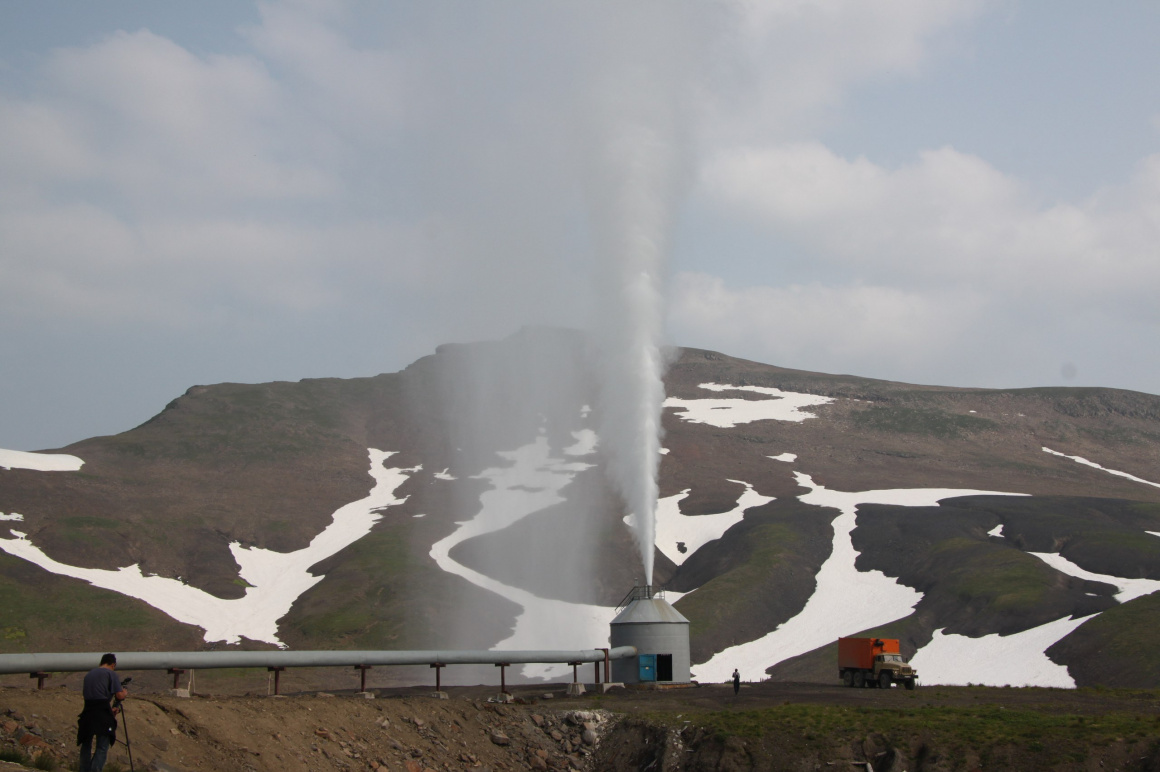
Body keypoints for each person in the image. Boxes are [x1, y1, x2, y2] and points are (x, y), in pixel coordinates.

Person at [76, 653, 128, 772]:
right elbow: (119, 695)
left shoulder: (89, 674)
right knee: (102, 745)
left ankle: (83, 769)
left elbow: (94, 695)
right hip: (102, 712)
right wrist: (124, 693)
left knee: (86, 743)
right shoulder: (111, 673)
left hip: (88, 710)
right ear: (113, 664)